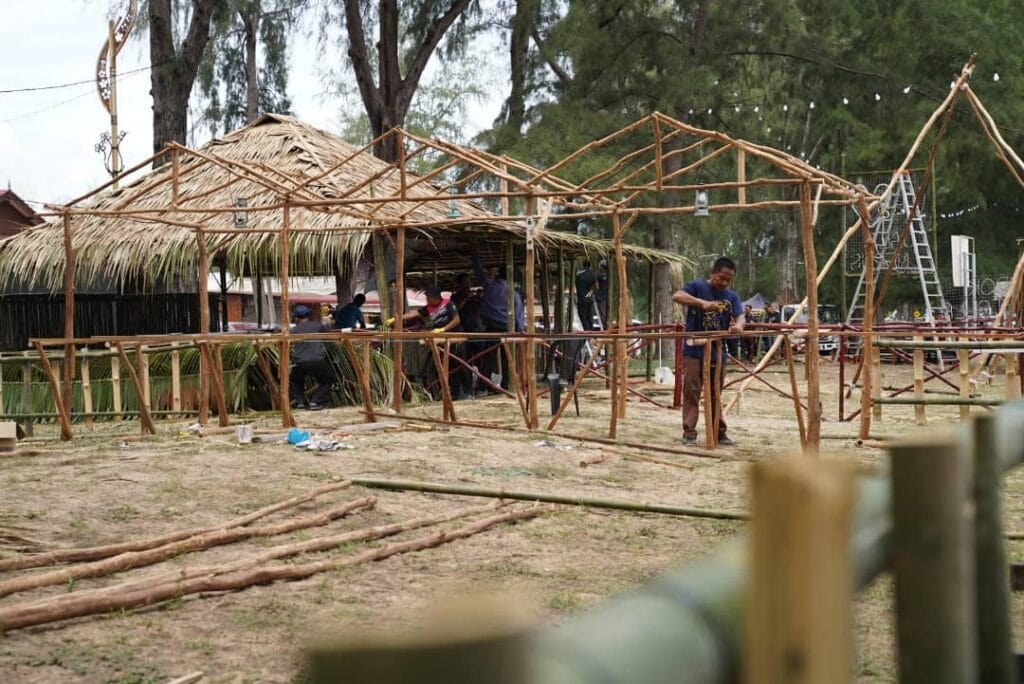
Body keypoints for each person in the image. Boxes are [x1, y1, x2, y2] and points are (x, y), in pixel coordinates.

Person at [672, 256, 745, 446]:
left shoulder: (732, 296)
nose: (724, 282)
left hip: (717, 351)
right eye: (721, 278)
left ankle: (718, 432)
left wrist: (738, 325)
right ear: (712, 273)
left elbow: (740, 316)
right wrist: (701, 303)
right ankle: (689, 432)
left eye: (728, 279)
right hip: (694, 349)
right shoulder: (696, 287)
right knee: (691, 390)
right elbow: (677, 296)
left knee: (715, 392)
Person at [389, 286, 461, 399]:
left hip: (455, 338)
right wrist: (397, 318)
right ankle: (442, 392)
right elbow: (414, 314)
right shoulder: (428, 308)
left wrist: (443, 329)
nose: (426, 300)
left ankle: (458, 393)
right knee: (439, 366)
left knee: (456, 366)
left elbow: (456, 320)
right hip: (440, 341)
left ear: (435, 297)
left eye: (428, 297)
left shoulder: (448, 304)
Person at [472, 251, 525, 390]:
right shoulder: (514, 294)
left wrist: (475, 253)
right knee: (507, 358)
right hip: (508, 329)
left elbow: (478, 271)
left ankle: (484, 385)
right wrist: (520, 331)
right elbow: (519, 315)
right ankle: (506, 384)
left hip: (491, 328)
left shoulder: (490, 286)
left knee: (488, 357)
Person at [289, 304, 333, 410]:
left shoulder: (294, 330)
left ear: (296, 317)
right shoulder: (317, 325)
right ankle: (316, 401)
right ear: (309, 316)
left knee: (297, 381)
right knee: (328, 379)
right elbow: (329, 332)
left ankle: (300, 403)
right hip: (316, 360)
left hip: (298, 361)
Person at [450, 273, 482, 398]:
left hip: (477, 331)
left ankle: (481, 386)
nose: (468, 285)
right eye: (465, 282)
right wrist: (465, 298)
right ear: (459, 284)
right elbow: (455, 310)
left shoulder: (475, 297)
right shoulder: (455, 297)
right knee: (464, 363)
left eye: (469, 282)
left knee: (481, 360)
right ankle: (465, 389)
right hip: (462, 332)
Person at [574, 261, 598, 330]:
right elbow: (596, 287)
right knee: (589, 316)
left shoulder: (578, 275)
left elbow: (576, 285)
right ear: (590, 266)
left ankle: (587, 331)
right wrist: (589, 294)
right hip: (589, 299)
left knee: (583, 316)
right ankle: (590, 331)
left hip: (581, 299)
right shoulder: (593, 274)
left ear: (583, 266)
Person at [594, 260, 609, 328]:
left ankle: (605, 328)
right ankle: (605, 327)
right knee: (605, 313)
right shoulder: (608, 275)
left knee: (602, 313)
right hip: (605, 296)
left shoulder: (599, 275)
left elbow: (595, 282)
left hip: (601, 297)